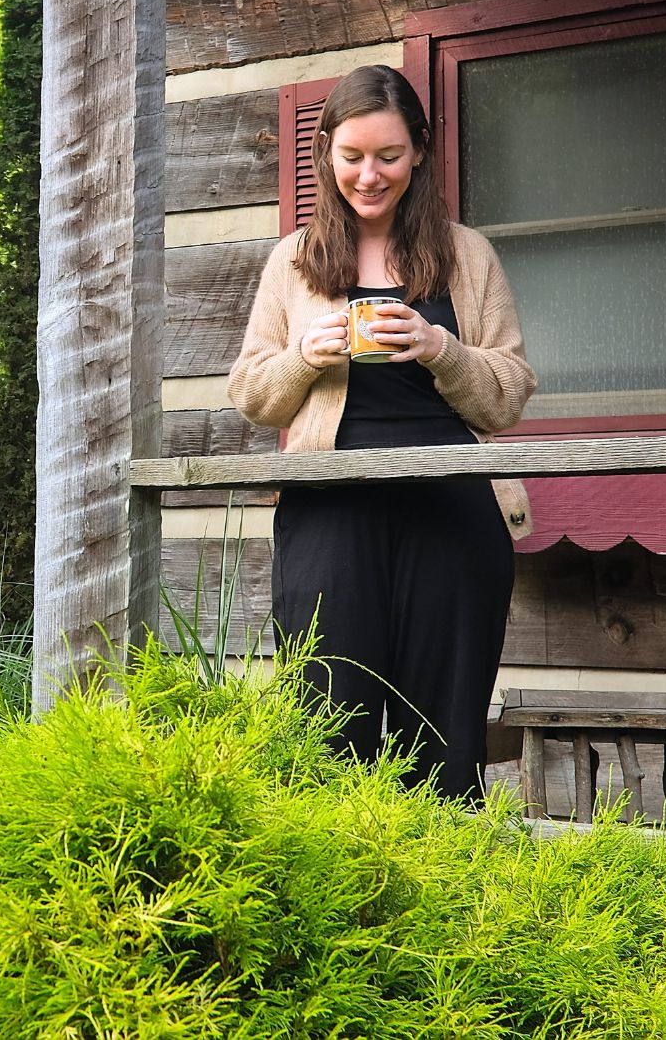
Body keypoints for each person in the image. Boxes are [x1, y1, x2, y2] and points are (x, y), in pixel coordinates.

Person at [229, 64, 535, 802]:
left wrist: (441, 349)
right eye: (353, 156)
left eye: (389, 156)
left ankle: (448, 902)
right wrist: (304, 357)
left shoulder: (468, 256)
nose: (370, 175)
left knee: (443, 739)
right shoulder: (294, 263)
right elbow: (250, 395)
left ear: (420, 152)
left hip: (452, 513)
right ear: (327, 152)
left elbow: (509, 396)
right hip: (330, 515)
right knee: (329, 727)